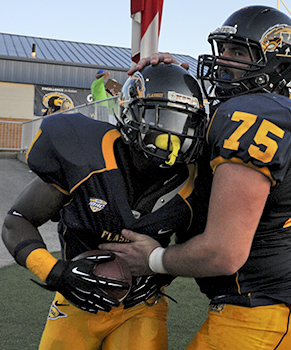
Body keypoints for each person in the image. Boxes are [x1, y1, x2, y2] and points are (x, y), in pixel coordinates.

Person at [104, 6, 291, 349]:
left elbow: (224, 253)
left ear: (276, 64)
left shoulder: (253, 114)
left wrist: (153, 260)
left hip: (258, 310)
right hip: (265, 303)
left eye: (238, 52)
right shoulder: (274, 106)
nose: (223, 61)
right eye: (224, 50)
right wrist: (170, 81)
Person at [1, 63, 208, 349]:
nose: (171, 136)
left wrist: (162, 267)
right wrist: (57, 273)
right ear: (130, 112)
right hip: (76, 299)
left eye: (183, 123)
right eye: (159, 118)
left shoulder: (196, 180)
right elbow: (17, 220)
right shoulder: (87, 154)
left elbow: (197, 248)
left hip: (141, 305)